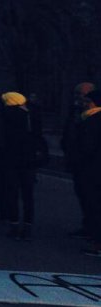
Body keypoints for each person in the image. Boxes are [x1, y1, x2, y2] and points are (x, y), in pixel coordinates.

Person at [0, 92, 42, 241]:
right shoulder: (31, 116)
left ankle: (14, 224)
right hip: (28, 160)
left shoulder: (4, 116)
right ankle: (28, 226)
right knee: (28, 195)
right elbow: (38, 137)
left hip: (10, 159)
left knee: (12, 194)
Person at [64, 82, 96, 239]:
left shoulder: (93, 116)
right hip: (78, 161)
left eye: (81, 95)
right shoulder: (76, 112)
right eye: (76, 94)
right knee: (83, 196)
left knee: (92, 198)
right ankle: (88, 225)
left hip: (89, 163)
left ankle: (93, 229)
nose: (78, 98)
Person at [73, 89, 101, 257]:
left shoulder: (92, 120)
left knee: (94, 205)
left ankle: (97, 242)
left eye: (87, 101)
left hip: (92, 169)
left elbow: (87, 147)